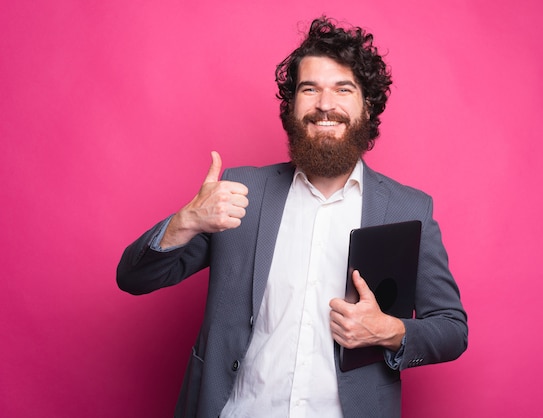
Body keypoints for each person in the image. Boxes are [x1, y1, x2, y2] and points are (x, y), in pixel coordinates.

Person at [117, 16, 468, 418]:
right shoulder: (240, 192)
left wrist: (391, 331)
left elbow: (452, 329)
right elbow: (133, 278)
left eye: (343, 89)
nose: (324, 104)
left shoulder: (409, 211)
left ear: (366, 106)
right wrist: (186, 221)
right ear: (291, 105)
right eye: (309, 89)